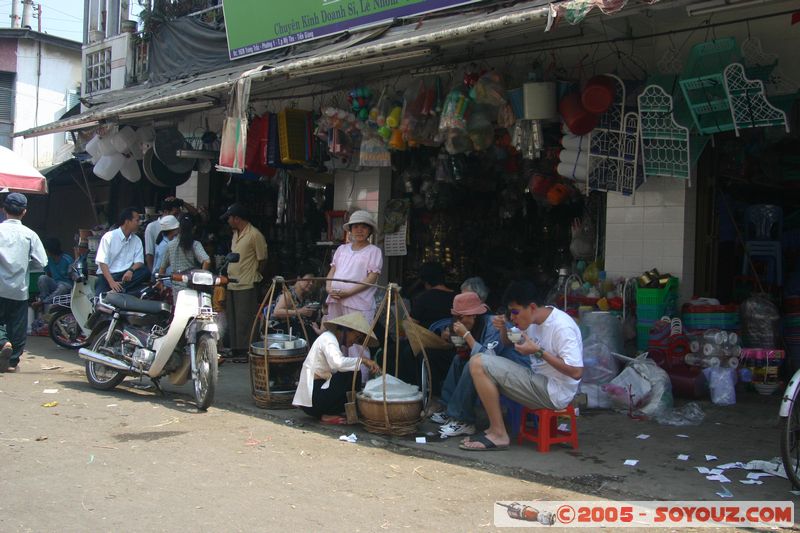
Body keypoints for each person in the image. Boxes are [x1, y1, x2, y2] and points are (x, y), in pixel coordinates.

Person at [460, 281, 583, 451]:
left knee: (478, 362)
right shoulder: (533, 321)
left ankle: (499, 433)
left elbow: (576, 372)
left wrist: (539, 352)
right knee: (480, 364)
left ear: (532, 307)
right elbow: (509, 343)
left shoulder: (561, 327)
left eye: (515, 312)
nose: (512, 318)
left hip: (556, 392)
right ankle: (494, 430)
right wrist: (503, 329)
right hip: (539, 381)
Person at [431, 291, 529, 438]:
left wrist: (466, 335)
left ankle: (463, 420)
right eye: (456, 317)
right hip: (497, 368)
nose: (458, 321)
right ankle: (448, 408)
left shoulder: (494, 325)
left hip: (516, 372)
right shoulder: (476, 326)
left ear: (473, 315)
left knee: (474, 363)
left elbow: (486, 358)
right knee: (459, 360)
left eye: (460, 317)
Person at [292, 312, 381, 424]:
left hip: (315, 396)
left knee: (353, 370)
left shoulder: (332, 340)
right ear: (345, 330)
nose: (354, 342)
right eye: (356, 337)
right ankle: (329, 412)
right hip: (313, 399)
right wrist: (363, 360)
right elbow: (338, 364)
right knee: (351, 372)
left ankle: (341, 409)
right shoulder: (328, 339)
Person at [0, 193, 47, 373]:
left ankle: (3, 342)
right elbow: (42, 262)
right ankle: (12, 362)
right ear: (24, 212)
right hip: (19, 289)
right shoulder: (30, 235)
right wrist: (26, 264)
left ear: (4, 210)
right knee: (17, 326)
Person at [221, 203, 267, 359]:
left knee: (245, 319)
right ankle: (235, 348)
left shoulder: (255, 235)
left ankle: (245, 350)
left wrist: (254, 274)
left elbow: (262, 259)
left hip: (246, 283)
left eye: (229, 218)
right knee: (233, 319)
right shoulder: (235, 234)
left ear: (237, 219)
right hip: (232, 281)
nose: (228, 221)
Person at [324, 210, 383, 325]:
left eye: (364, 227)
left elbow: (372, 278)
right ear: (350, 230)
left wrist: (349, 292)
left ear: (370, 230)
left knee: (355, 334)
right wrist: (328, 289)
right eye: (355, 227)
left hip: (358, 303)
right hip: (336, 299)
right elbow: (332, 271)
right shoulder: (342, 249)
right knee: (336, 333)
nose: (359, 230)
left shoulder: (374, 251)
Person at [94, 207, 150, 296]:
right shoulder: (109, 237)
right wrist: (111, 282)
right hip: (107, 275)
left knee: (145, 272)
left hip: (125, 275)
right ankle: (118, 289)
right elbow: (102, 262)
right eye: (137, 220)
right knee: (98, 299)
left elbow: (139, 261)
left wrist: (131, 270)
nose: (139, 223)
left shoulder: (137, 240)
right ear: (127, 222)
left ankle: (116, 290)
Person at [159, 215, 210, 302]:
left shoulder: (170, 245)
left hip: (176, 289)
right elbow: (207, 261)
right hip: (192, 287)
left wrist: (160, 283)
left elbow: (162, 268)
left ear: (179, 229)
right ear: (193, 229)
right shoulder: (195, 244)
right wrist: (200, 279)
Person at [144, 197, 198, 271]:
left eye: (178, 214)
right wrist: (153, 274)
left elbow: (195, 214)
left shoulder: (179, 225)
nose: (177, 217)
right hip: (161, 271)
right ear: (166, 212)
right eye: (175, 214)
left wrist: (182, 202)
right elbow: (149, 254)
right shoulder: (152, 227)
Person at [272, 272, 323, 339]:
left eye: (312, 281)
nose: (311, 283)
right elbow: (277, 312)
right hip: (284, 331)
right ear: (299, 278)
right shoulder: (288, 294)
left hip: (300, 330)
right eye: (308, 280)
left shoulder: (306, 296)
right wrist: (300, 312)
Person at [410, 262, 455, 329]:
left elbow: (412, 325)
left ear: (425, 280)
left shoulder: (422, 299)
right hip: (453, 335)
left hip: (428, 335)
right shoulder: (457, 297)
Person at [36, 237, 73, 310]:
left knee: (62, 287)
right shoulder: (48, 260)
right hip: (55, 284)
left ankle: (44, 302)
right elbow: (48, 274)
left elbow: (72, 276)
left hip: (66, 286)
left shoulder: (67, 259)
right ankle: (43, 299)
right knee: (42, 278)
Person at [151, 215, 180, 282]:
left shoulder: (171, 241)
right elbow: (158, 267)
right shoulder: (164, 246)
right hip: (166, 280)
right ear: (172, 230)